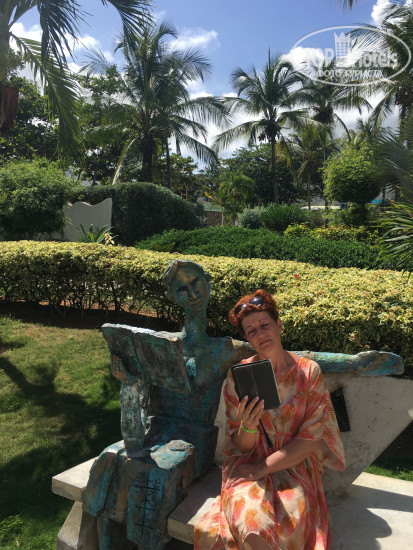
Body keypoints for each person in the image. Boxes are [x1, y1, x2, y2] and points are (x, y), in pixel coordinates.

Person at [194, 289, 346, 550]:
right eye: (251, 331)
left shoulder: (308, 373)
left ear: (279, 324)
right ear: (246, 338)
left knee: (289, 524)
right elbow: (241, 445)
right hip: (248, 462)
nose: (260, 334)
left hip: (293, 467)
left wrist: (263, 468)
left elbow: (310, 440)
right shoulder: (238, 377)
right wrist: (248, 427)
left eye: (264, 325)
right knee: (251, 523)